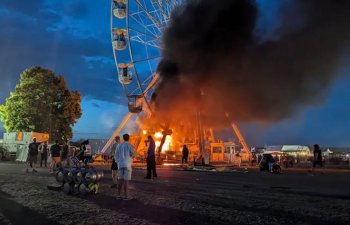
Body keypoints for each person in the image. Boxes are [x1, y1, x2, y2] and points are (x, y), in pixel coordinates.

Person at [115, 133, 135, 200]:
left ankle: (118, 195)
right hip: (127, 164)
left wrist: (118, 162)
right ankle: (126, 196)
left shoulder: (119, 145)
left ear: (123, 138)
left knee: (120, 180)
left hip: (120, 164)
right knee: (126, 181)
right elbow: (133, 154)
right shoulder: (130, 145)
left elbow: (116, 155)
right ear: (128, 138)